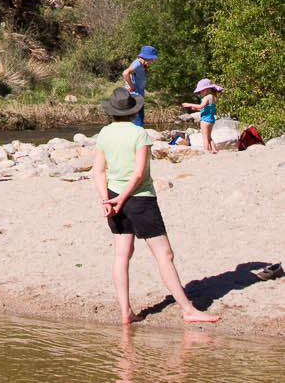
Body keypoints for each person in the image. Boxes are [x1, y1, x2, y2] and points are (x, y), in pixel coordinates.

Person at [91, 85, 219, 325]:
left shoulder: (104, 133)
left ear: (112, 112)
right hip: (140, 199)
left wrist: (107, 199)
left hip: (113, 196)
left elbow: (98, 171)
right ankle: (187, 309)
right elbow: (139, 173)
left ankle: (125, 311)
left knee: (121, 254)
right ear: (132, 110)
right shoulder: (140, 134)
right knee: (164, 254)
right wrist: (122, 197)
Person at [182, 78, 221, 154]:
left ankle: (206, 151)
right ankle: (214, 150)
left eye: (202, 91)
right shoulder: (212, 96)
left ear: (207, 89)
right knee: (209, 137)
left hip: (205, 120)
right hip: (211, 119)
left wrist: (189, 104)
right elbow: (205, 109)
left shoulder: (207, 97)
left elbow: (201, 106)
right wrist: (195, 108)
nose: (200, 92)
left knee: (205, 137)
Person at [124, 46, 158, 126]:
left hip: (138, 95)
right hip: (134, 96)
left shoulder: (141, 65)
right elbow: (125, 73)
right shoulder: (137, 63)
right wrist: (131, 86)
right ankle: (137, 136)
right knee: (137, 121)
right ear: (146, 57)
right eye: (151, 58)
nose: (152, 61)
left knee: (139, 118)